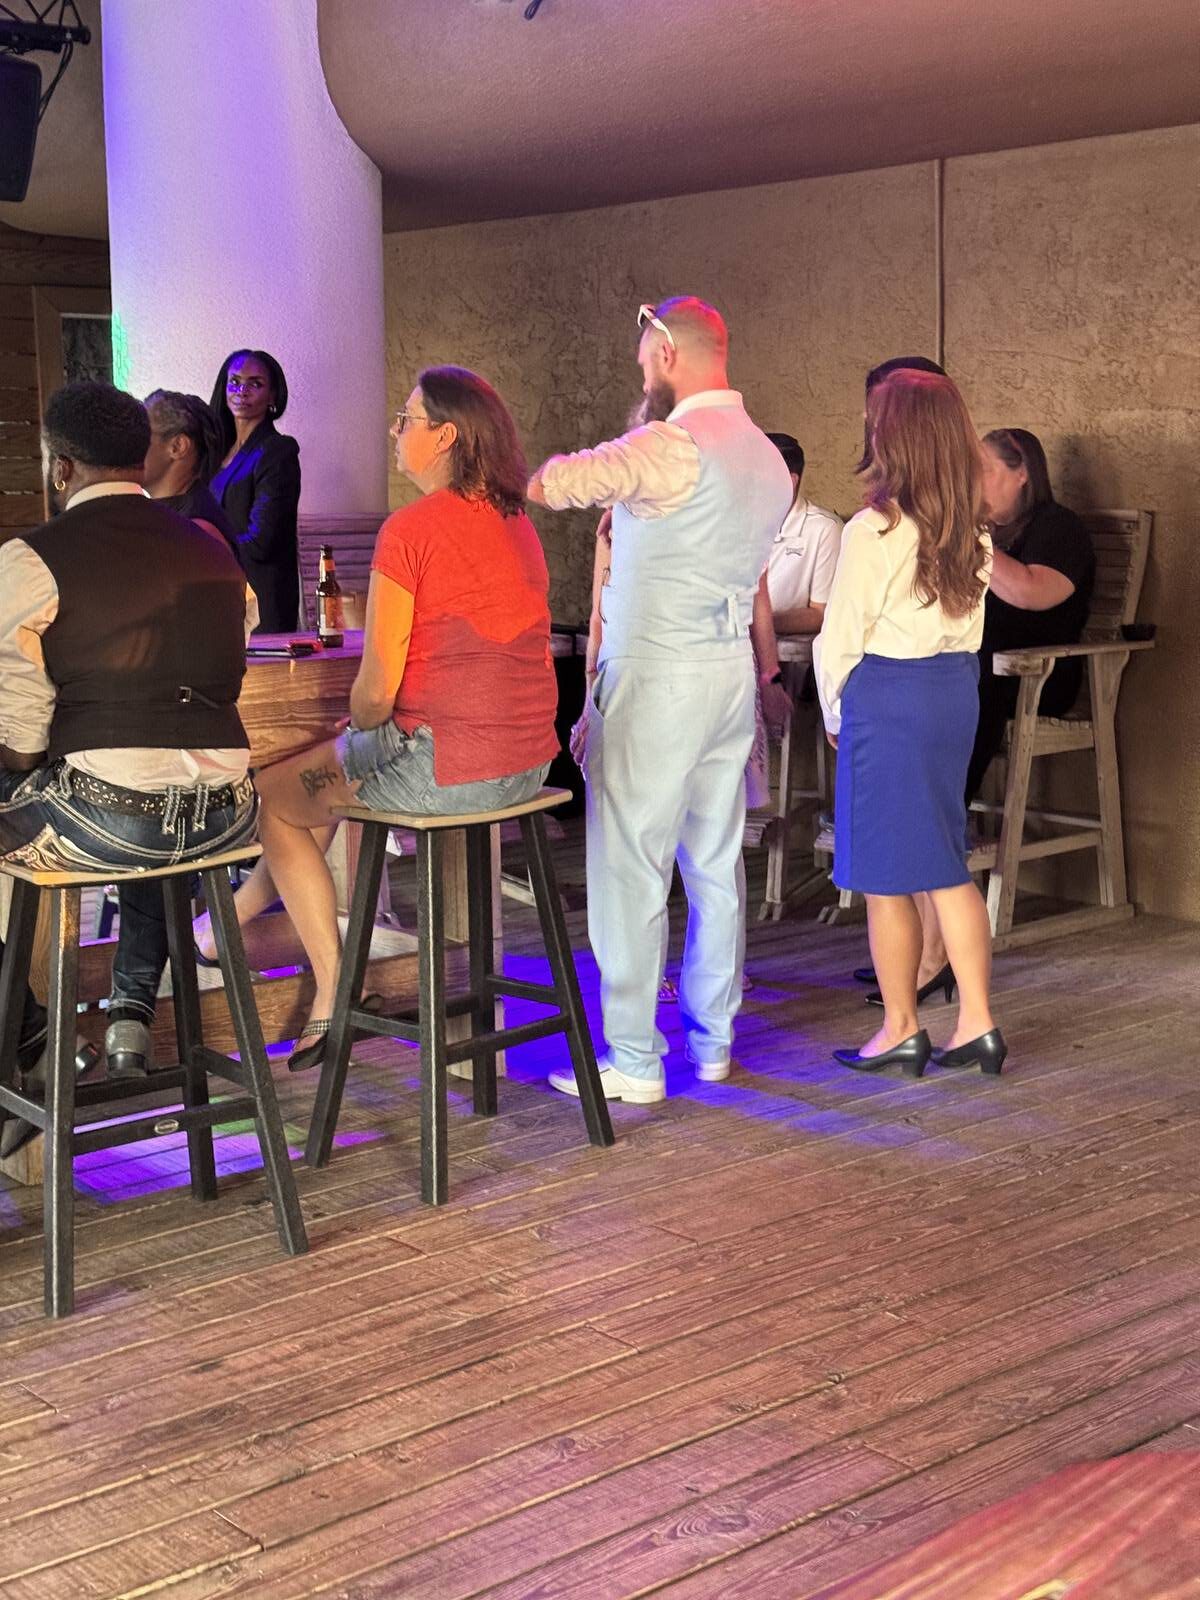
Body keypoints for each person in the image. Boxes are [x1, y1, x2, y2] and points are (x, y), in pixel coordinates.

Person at [203, 365, 558, 1072]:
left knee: (276, 796)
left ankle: (333, 985)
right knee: (324, 778)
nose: (395, 432)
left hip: (445, 767)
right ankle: (220, 932)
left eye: (406, 419)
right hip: (528, 765)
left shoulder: (411, 529)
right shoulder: (519, 523)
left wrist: (359, 725)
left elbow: (374, 695)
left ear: (445, 435)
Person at [529, 296, 793, 1103]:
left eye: (646, 362)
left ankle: (637, 1060)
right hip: (727, 675)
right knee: (715, 866)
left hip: (657, 676)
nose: (644, 377)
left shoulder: (670, 444)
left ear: (670, 351)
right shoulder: (767, 458)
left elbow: (555, 483)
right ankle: (714, 1042)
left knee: (630, 869)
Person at [0, 382, 256, 1089]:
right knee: (141, 788)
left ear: (60, 468)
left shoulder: (31, 559)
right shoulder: (212, 549)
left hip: (113, 822)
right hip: (227, 820)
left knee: (108, 794)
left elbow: (22, 741)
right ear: (141, 459)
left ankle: (33, 1037)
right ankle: (122, 1015)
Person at [863, 425, 1097, 1004]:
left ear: (1023, 473)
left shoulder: (1058, 528)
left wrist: (972, 542)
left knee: (939, 780)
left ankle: (933, 951)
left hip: (1036, 677)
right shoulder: (981, 531)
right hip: (975, 674)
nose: (974, 483)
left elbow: (1035, 594)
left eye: (985, 471)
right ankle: (917, 943)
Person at [816, 369, 1006, 1077]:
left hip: (889, 697)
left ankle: (900, 1027)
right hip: (954, 692)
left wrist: (835, 709)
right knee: (946, 862)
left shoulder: (874, 529)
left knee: (887, 877)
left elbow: (841, 637)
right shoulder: (973, 530)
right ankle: (978, 1022)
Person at [209, 349, 301, 633]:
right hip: (220, 598)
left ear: (273, 396)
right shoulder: (214, 452)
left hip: (262, 606)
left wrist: (200, 548)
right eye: (234, 382)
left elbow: (262, 541)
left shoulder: (278, 451)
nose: (242, 391)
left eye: (255, 384)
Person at [763, 433, 843, 636]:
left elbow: (821, 613)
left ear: (790, 481)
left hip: (789, 651)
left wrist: (758, 625)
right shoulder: (738, 522)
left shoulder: (825, 529)